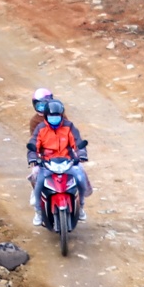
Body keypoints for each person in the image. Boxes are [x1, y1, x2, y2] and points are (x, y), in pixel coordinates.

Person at [26, 96, 91, 227]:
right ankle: (38, 212)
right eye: (51, 116)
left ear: (61, 115)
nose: (54, 118)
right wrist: (33, 157)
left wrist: (81, 154)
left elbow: (78, 142)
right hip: (47, 163)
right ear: (46, 116)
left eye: (57, 116)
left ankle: (81, 207)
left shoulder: (69, 127)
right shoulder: (40, 129)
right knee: (38, 184)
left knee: (81, 179)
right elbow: (33, 144)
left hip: (67, 162)